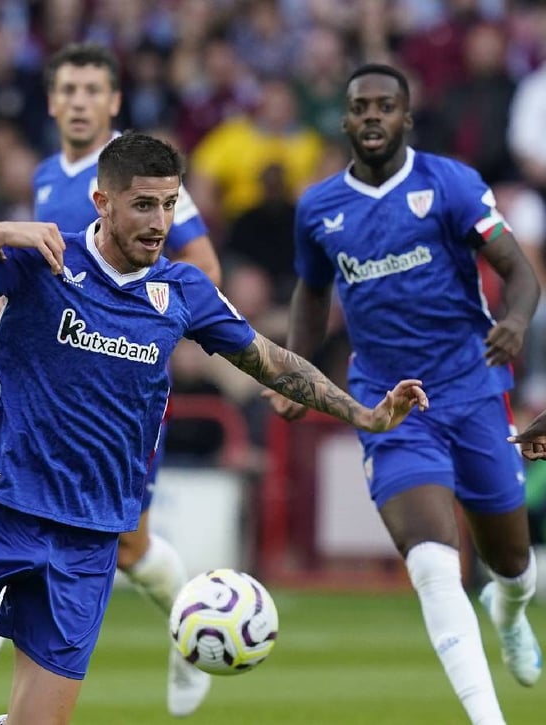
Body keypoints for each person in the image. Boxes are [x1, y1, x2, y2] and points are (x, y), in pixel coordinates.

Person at [0, 132, 428, 725]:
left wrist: (365, 414)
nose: (159, 221)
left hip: (90, 539)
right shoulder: (45, 259)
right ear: (103, 202)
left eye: (169, 205)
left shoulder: (183, 290)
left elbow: (271, 360)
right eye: (144, 204)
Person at [0, 43, 221, 725]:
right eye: (71, 88)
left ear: (114, 101)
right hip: (45, 385)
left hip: (119, 391)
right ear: (54, 101)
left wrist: (147, 328)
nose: (84, 100)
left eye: (96, 88)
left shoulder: (140, 173)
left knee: (129, 546)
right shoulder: (46, 175)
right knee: (1, 521)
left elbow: (201, 264)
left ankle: (193, 629)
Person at [270, 64, 542, 725]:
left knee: (510, 560)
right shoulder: (319, 208)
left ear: (405, 117)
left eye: (384, 106)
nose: (371, 116)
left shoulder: (449, 185)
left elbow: (520, 271)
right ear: (344, 119)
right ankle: (488, 717)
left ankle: (510, 611)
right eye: (360, 106)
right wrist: (297, 373)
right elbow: (312, 291)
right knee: (430, 560)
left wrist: (511, 322)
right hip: (390, 401)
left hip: (473, 387)